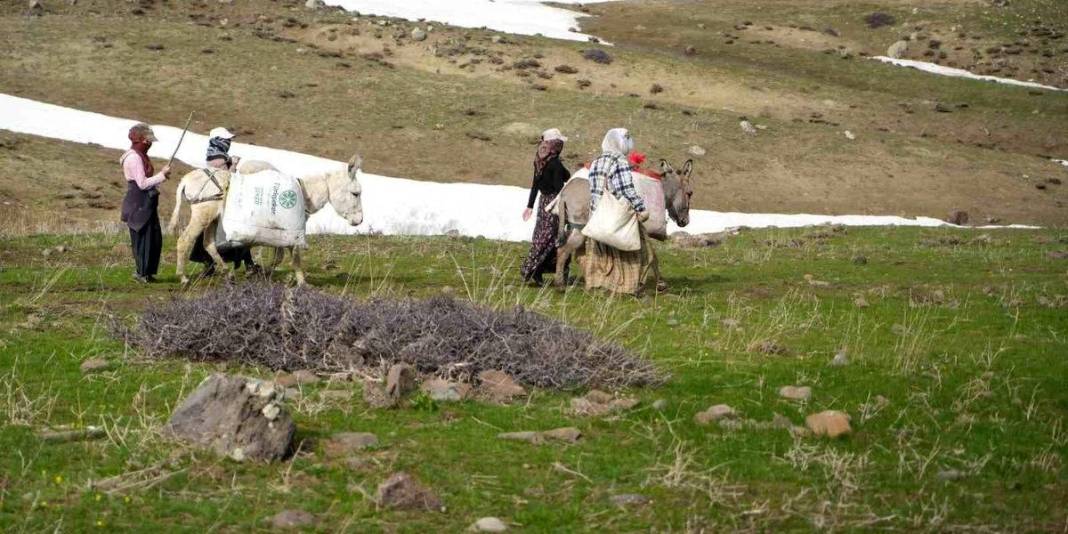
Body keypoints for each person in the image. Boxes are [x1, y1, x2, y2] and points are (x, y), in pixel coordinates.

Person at [584, 128, 658, 296]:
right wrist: (641, 208)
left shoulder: (597, 161)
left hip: (597, 216)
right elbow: (627, 189)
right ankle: (629, 287)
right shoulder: (619, 161)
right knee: (641, 249)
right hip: (617, 216)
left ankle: (602, 285)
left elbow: (594, 188)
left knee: (605, 254)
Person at [189, 127, 258, 276]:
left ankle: (208, 265)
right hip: (222, 202)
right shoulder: (220, 159)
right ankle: (249, 265)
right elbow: (227, 179)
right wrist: (234, 164)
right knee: (236, 234)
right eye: (226, 140)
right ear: (219, 141)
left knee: (207, 234)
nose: (228, 142)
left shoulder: (211, 156)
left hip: (212, 201)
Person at [120, 123, 171, 283]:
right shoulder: (134, 158)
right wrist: (162, 175)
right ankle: (141, 273)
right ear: (140, 140)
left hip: (146, 203)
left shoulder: (140, 155)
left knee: (153, 238)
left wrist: (160, 178)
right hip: (139, 203)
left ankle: (147, 273)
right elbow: (142, 183)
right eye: (147, 141)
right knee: (143, 239)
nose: (149, 144)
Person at [520, 128, 571, 285]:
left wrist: (530, 206)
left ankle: (536, 271)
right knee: (553, 238)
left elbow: (535, 185)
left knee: (541, 236)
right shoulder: (554, 164)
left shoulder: (539, 160)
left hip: (543, 203)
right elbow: (559, 186)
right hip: (554, 204)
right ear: (556, 145)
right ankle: (532, 268)